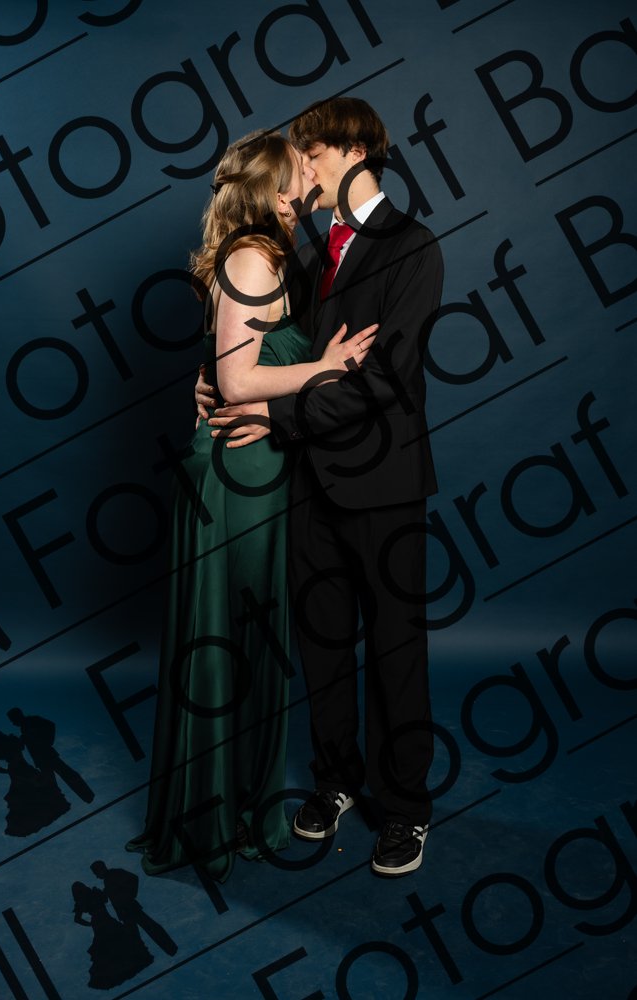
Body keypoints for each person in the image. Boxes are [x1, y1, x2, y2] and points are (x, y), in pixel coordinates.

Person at [126, 130, 377, 883]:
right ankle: (218, 813)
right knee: (233, 638)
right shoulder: (251, 257)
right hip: (238, 473)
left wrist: (213, 378)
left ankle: (230, 802)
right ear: (271, 190)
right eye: (298, 173)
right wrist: (326, 366)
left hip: (257, 466)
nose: (309, 181)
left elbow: (226, 370)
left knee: (247, 633)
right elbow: (236, 384)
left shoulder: (269, 255)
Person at [205, 97, 444, 876]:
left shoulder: (413, 247)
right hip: (310, 486)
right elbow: (279, 354)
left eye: (308, 154)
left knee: (395, 648)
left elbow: (381, 381)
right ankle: (336, 780)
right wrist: (217, 384)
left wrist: (272, 417)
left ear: (351, 151)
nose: (298, 171)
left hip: (383, 485)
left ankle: (405, 808)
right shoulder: (310, 256)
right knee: (322, 643)